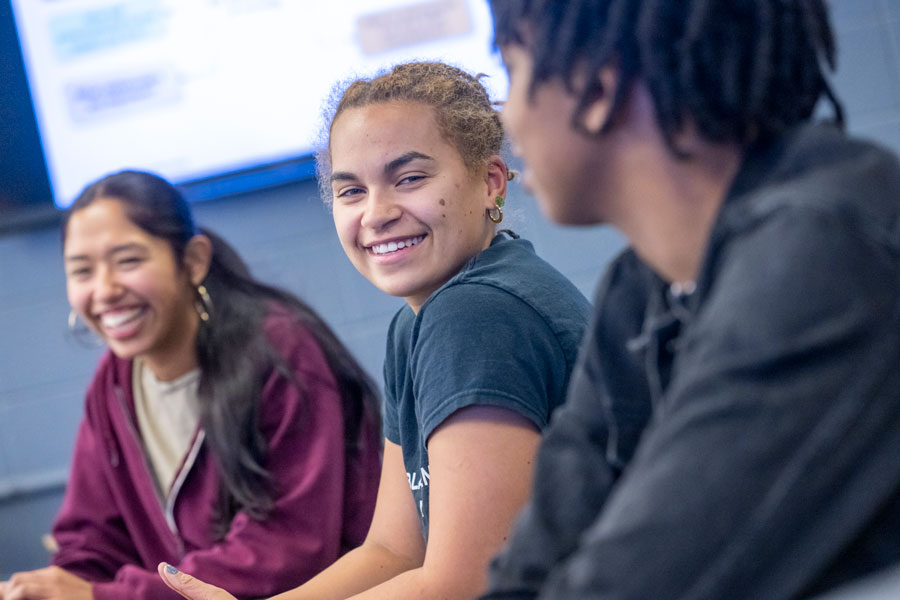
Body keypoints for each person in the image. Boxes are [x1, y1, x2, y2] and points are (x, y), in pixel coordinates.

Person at [479, 1, 900, 599]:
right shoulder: (639, 288)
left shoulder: (827, 249)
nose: (508, 119)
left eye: (513, 71)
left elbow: (639, 583)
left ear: (597, 90)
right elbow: (531, 567)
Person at [156, 61, 591, 600]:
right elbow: (393, 551)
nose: (376, 213)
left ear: (490, 182)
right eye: (351, 192)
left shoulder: (478, 315)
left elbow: (465, 583)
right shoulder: (418, 323)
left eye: (409, 179)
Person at [0, 170, 382, 600]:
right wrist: (48, 589)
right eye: (82, 270)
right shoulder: (113, 384)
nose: (104, 290)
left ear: (193, 261)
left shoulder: (280, 350)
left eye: (128, 261)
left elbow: (288, 548)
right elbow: (93, 542)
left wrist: (108, 597)